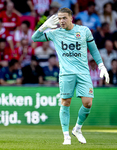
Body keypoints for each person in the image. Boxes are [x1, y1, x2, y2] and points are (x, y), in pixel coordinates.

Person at [32, 8, 109, 145]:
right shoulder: (55, 33)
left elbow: (93, 49)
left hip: (83, 73)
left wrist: (101, 66)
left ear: (71, 18)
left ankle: (77, 129)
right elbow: (34, 38)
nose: (61, 21)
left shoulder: (84, 31)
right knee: (65, 103)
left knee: (88, 103)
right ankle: (66, 136)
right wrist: (44, 26)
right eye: (59, 18)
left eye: (64, 18)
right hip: (66, 74)